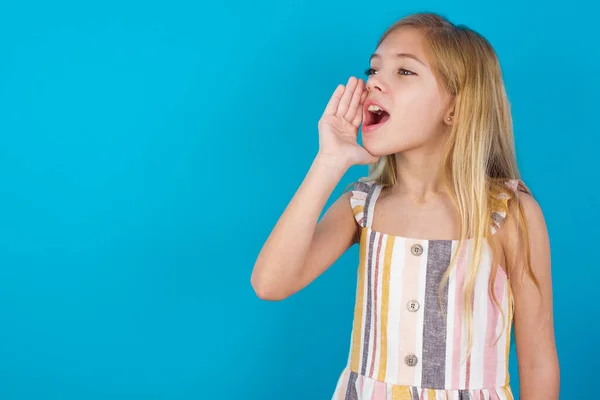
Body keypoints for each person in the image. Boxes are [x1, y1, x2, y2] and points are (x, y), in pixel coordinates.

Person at [250, 12, 559, 400]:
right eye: (373, 69)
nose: (373, 82)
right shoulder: (362, 206)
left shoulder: (509, 215)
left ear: (456, 108)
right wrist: (329, 161)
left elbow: (537, 361)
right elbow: (269, 284)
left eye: (405, 72)